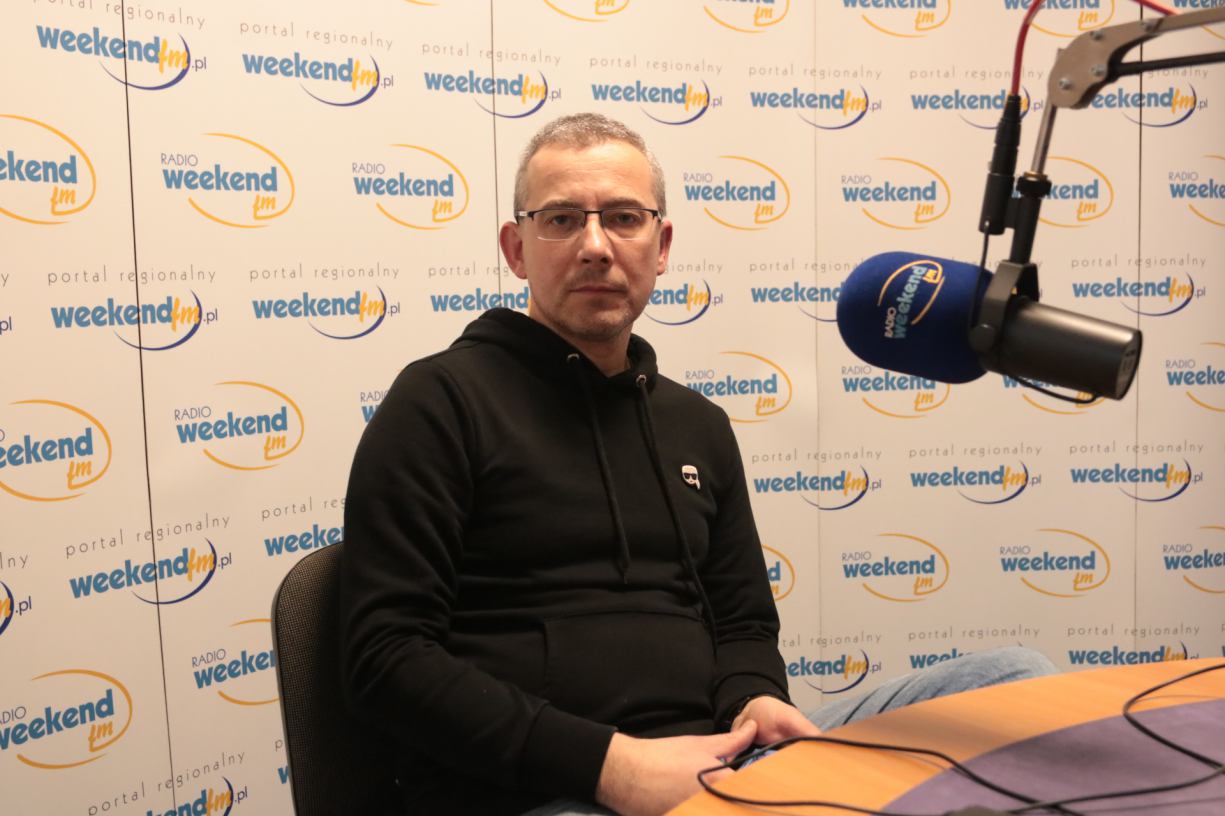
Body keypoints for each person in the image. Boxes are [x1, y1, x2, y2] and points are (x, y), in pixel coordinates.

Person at [339, 113, 1055, 816]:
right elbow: (385, 657)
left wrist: (753, 699)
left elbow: (743, 623)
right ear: (516, 249)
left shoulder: (697, 425)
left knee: (1017, 683)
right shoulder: (440, 401)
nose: (595, 246)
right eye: (561, 220)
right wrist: (610, 767)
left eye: (624, 218)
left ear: (661, 246)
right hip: (545, 791)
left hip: (723, 761)